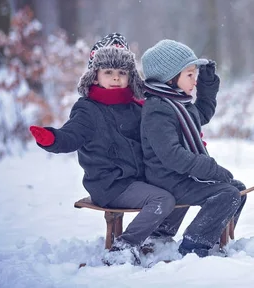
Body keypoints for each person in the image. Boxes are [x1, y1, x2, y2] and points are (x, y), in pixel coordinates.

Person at [28, 33, 176, 266]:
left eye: (122, 73)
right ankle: (123, 248)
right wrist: (52, 138)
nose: (116, 78)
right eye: (108, 72)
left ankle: (158, 237)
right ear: (94, 76)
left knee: (177, 185)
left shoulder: (137, 107)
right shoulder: (88, 109)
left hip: (138, 179)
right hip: (109, 184)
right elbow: (72, 135)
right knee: (162, 199)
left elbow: (158, 136)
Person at [140, 39, 247, 258]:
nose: (194, 80)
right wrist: (210, 168)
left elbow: (202, 114)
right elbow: (172, 156)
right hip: (167, 179)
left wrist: (207, 84)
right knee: (228, 194)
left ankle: (215, 237)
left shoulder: (177, 103)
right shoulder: (157, 110)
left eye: (194, 74)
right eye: (190, 75)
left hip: (179, 176)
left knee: (238, 189)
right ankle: (194, 245)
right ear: (170, 78)